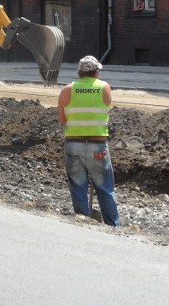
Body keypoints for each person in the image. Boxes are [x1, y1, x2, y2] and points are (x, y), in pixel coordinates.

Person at [57, 55, 120, 226]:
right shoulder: (105, 88)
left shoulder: (66, 90)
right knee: (105, 189)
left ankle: (83, 224)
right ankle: (113, 226)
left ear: (79, 73)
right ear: (96, 73)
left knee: (78, 187)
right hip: (98, 145)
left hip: (73, 145)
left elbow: (63, 120)